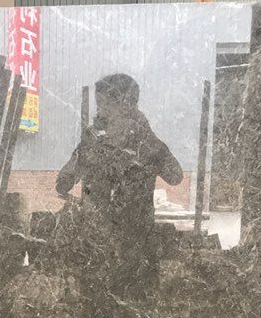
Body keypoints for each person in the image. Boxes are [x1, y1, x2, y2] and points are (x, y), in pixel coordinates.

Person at [55, 73, 184, 233]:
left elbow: (175, 177)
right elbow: (62, 185)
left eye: (104, 108)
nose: (99, 114)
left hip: (134, 239)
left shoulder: (146, 144)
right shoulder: (95, 142)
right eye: (98, 107)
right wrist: (84, 153)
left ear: (127, 108)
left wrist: (146, 139)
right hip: (96, 238)